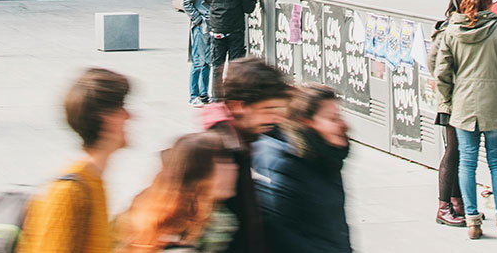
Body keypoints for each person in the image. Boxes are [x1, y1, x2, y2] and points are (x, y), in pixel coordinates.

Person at [433, 0, 497, 241]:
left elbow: (442, 71)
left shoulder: (452, 30)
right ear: (490, 1)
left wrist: (449, 97)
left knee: (467, 163)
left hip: (463, 104)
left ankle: (472, 222)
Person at [18, 68, 131, 253]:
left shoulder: (94, 180)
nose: (129, 115)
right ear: (105, 118)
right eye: (122, 107)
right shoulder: (68, 192)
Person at [200, 57, 291, 253]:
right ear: (237, 106)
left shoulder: (241, 144)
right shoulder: (221, 154)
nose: (275, 119)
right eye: (268, 109)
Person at [252, 84, 351, 253]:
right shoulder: (287, 165)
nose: (343, 124)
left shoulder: (327, 158)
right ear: (308, 122)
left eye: (339, 117)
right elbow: (283, 236)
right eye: (332, 119)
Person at [114, 133, 238, 253]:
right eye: (222, 161)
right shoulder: (174, 234)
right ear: (197, 173)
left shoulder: (217, 221)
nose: (233, 168)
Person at [429, 0, 468, 227]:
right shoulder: (449, 29)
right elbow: (435, 63)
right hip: (452, 100)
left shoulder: (455, 25)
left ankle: (456, 202)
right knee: (453, 151)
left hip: (456, 98)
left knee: (458, 151)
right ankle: (444, 207)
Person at [202, 0, 256, 100]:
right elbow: (248, 8)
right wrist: (253, 1)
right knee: (236, 66)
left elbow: (207, 0)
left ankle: (216, 98)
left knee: (217, 66)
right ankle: (233, 97)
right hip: (235, 30)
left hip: (217, 29)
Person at [182, 0, 219, 106]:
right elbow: (186, 2)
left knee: (208, 61)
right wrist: (199, 20)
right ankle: (193, 95)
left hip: (214, 24)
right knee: (198, 61)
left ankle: (204, 94)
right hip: (201, 25)